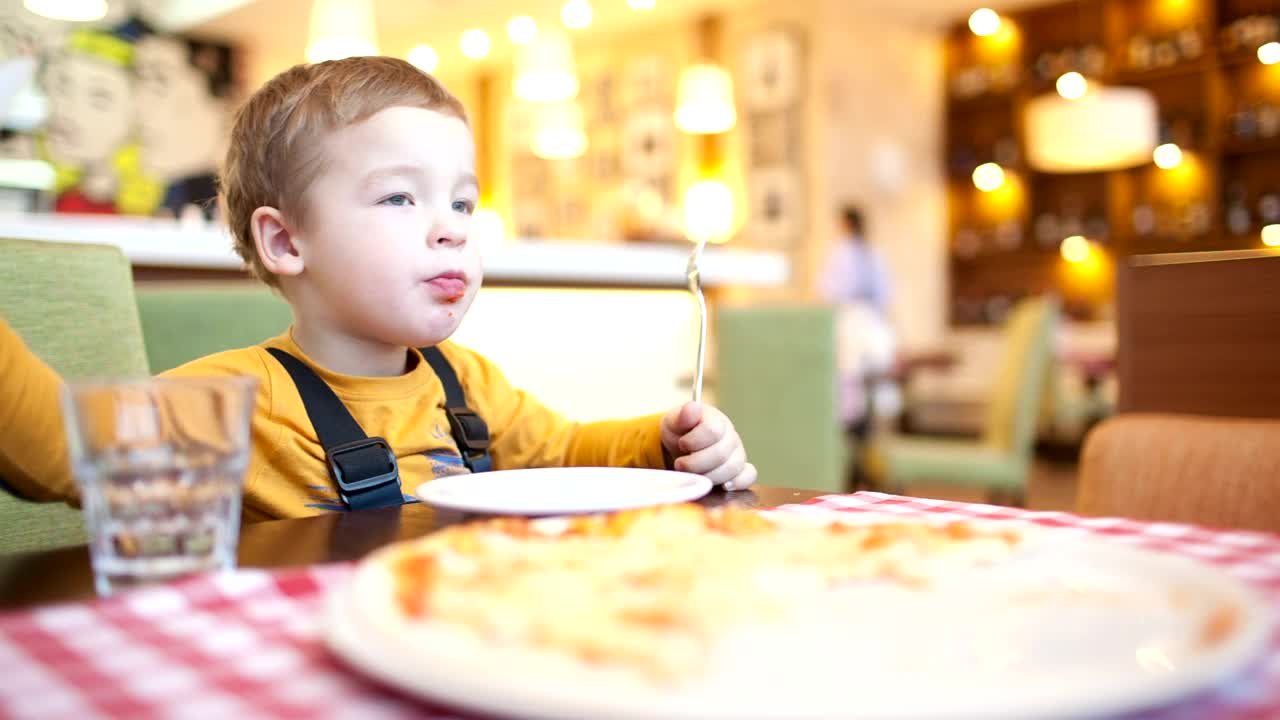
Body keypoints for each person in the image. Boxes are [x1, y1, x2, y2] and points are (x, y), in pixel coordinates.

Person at [148, 56, 755, 521]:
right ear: (284, 242)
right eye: (398, 197)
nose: (452, 229)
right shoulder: (237, 402)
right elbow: (66, 447)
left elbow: (567, 451)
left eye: (462, 202)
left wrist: (664, 441)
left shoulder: (465, 383)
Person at [819, 206, 892, 317]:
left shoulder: (870, 251)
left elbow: (882, 286)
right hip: (845, 310)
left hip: (868, 310)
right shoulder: (838, 252)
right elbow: (827, 284)